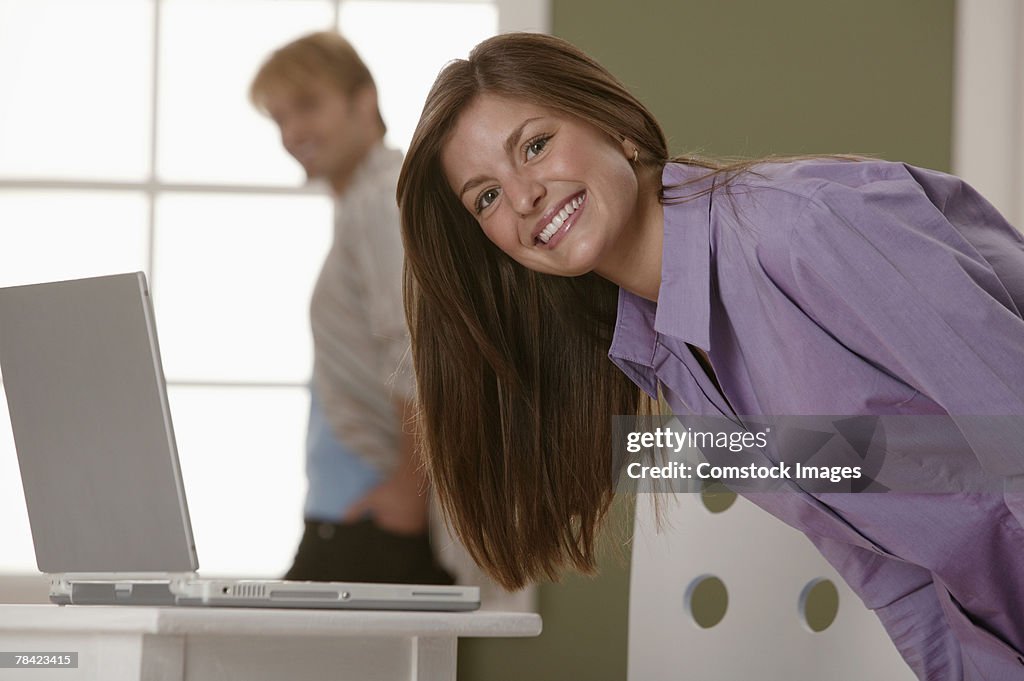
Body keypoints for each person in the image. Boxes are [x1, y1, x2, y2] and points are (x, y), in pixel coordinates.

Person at [396, 32, 1024, 678]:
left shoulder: (806, 231)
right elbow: (896, 569)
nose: (524, 195)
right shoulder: (676, 366)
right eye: (487, 197)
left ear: (618, 126)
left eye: (534, 145)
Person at [250, 31, 451, 585]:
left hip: (375, 515)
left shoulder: (380, 201)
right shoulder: (366, 200)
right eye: (280, 118)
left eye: (308, 106)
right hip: (350, 508)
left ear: (365, 100)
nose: (293, 133)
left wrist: (408, 496)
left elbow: (414, 350)